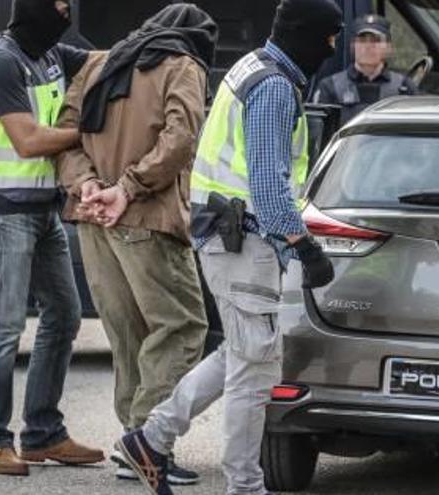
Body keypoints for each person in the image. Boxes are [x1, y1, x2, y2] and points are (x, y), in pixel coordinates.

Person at [113, 1, 341, 493]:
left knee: (242, 354)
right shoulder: (275, 86)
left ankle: (151, 439)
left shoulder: (252, 66)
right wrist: (305, 248)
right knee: (255, 374)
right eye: (330, 37)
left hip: (228, 237)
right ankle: (245, 486)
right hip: (246, 240)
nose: (334, 48)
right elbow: (268, 186)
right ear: (308, 34)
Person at [55, 4, 218, 486]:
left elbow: (67, 136)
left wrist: (86, 185)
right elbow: (182, 136)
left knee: (127, 331)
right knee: (184, 325)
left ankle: (133, 440)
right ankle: (147, 440)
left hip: (92, 219)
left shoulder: (97, 63)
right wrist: (126, 188)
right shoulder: (181, 64)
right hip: (146, 215)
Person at [0, 0, 103, 476]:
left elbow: (104, 59)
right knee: (4, 328)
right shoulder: (1, 63)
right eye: (60, 4)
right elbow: (27, 141)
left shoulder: (49, 53)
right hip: (2, 211)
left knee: (64, 315)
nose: (67, 12)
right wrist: (87, 133)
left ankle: (44, 434)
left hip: (42, 209)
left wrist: (153, 47)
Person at [314, 14, 418, 123]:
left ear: (389, 47)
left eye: (376, 40)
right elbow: (318, 132)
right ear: (353, 46)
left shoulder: (405, 87)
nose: (368, 46)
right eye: (362, 40)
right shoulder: (330, 87)